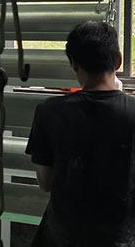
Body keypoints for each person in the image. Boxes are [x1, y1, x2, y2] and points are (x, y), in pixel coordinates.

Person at [26, 21, 135, 246]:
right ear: (118, 61)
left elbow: (45, 182)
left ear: (74, 64)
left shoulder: (48, 112)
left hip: (63, 238)